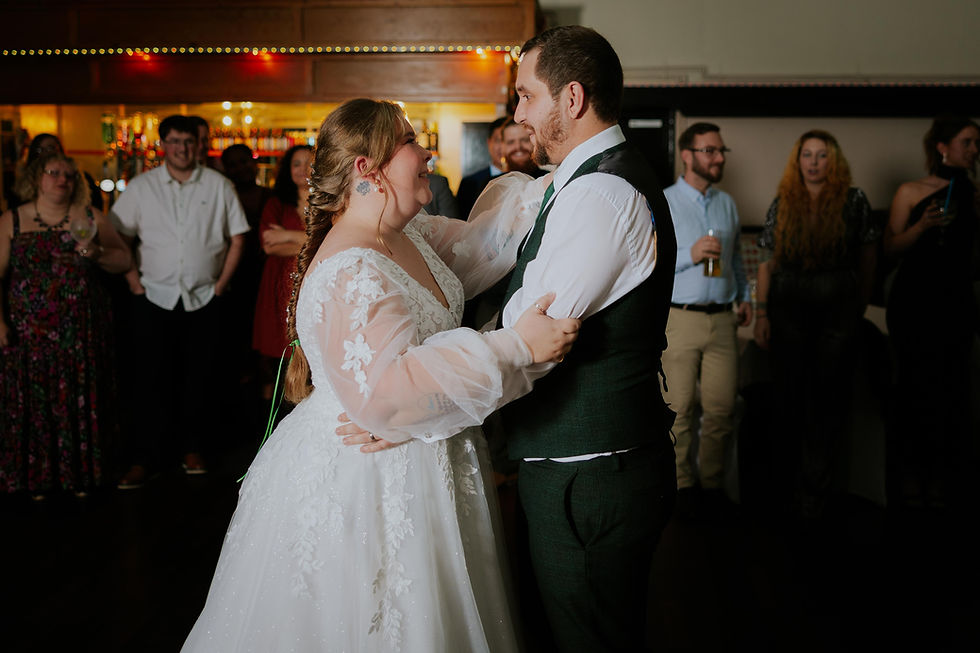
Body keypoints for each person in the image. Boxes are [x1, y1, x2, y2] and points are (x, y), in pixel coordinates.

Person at [181, 98, 579, 652]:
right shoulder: (350, 267)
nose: (426, 154)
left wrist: (570, 177)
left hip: (423, 451)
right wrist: (515, 347)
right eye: (412, 142)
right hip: (371, 475)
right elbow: (387, 393)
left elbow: (484, 243)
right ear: (368, 169)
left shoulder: (406, 234)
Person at [496, 26, 678, 653]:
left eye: (526, 95)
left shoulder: (603, 193)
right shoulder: (582, 182)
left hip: (592, 469)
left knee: (589, 637)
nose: (518, 113)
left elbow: (533, 333)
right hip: (582, 459)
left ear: (570, 99)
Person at [110, 114, 249, 487]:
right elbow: (116, 234)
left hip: (205, 297)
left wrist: (220, 287)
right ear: (163, 145)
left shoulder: (218, 185)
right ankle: (146, 458)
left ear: (197, 145)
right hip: (153, 295)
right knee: (150, 380)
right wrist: (134, 283)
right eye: (174, 142)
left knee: (201, 379)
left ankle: (193, 449)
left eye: (188, 142)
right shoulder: (142, 187)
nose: (182, 149)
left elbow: (237, 238)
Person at [754, 130, 878, 524]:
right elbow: (766, 261)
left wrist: (858, 303)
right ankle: (786, 496)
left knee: (827, 403)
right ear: (798, 161)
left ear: (833, 161)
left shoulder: (854, 201)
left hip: (837, 304)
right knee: (789, 400)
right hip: (789, 305)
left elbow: (869, 255)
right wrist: (761, 313)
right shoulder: (783, 202)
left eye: (821, 155)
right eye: (807, 155)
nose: (813, 162)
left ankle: (816, 498)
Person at [0, 152, 131, 499]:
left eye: (69, 176)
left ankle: (82, 477)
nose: (62, 180)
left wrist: (97, 253)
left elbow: (124, 259)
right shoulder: (12, 220)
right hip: (28, 334)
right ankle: (36, 480)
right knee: (35, 402)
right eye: (53, 173)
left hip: (81, 331)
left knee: (79, 398)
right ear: (36, 179)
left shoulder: (90, 217)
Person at [884, 115, 979, 509]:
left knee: (954, 390)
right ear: (943, 147)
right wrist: (922, 226)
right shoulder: (912, 191)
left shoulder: (974, 194)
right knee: (914, 388)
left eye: (977, 144)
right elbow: (889, 249)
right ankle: (909, 479)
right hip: (917, 303)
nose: (975, 150)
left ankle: (944, 480)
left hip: (956, 302)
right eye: (968, 142)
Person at [662, 122, 751, 518]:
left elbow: (734, 260)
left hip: (724, 320)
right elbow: (651, 263)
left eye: (720, 151)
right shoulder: (663, 201)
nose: (718, 158)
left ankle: (712, 485)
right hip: (680, 320)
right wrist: (691, 255)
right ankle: (681, 489)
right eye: (709, 151)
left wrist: (746, 297)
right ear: (687, 155)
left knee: (721, 408)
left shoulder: (728, 204)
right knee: (679, 409)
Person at [251, 144, 312, 399]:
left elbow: (332, 238)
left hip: (312, 277)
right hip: (280, 282)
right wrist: (311, 241)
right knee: (279, 346)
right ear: (288, 170)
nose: (303, 169)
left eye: (309, 162)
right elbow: (268, 245)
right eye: (296, 164)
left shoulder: (329, 200)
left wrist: (286, 235)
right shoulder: (276, 203)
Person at [24, 133, 104, 211]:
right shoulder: (24, 180)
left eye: (50, 148)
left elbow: (96, 206)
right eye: (39, 150)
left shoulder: (81, 177)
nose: (45, 153)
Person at [457, 116, 509, 217]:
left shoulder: (532, 179)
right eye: (498, 140)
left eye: (508, 141)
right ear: (489, 142)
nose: (503, 147)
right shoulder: (469, 184)